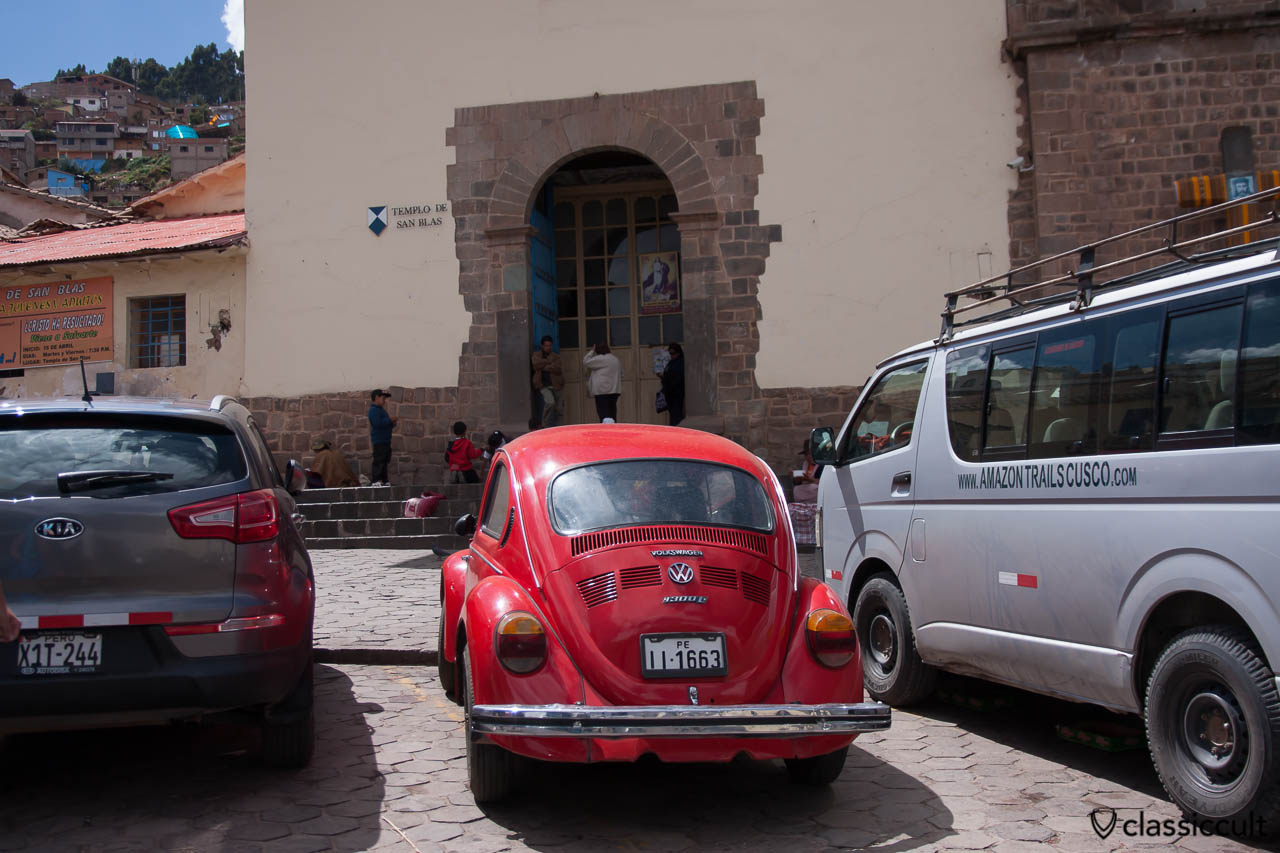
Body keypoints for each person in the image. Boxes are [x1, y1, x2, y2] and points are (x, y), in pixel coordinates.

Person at [583, 341, 623, 422]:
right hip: (614, 391)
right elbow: (622, 374)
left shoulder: (600, 359)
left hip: (602, 392)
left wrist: (592, 351)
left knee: (603, 415)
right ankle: (613, 431)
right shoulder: (615, 359)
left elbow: (586, 361)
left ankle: (605, 433)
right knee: (612, 414)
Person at [531, 335, 564, 428]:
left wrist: (544, 366)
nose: (548, 348)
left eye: (550, 345)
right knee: (550, 402)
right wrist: (549, 362)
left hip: (557, 384)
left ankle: (560, 428)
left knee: (560, 409)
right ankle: (544, 425)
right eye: (546, 346)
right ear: (542, 345)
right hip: (543, 385)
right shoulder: (536, 355)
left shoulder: (556, 356)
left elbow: (557, 368)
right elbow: (536, 365)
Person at [368, 389, 398, 486]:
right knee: (379, 460)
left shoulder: (381, 410)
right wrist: (389, 420)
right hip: (379, 440)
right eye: (383, 398)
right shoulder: (373, 410)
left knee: (385, 460)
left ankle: (384, 480)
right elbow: (378, 424)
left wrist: (392, 423)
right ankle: (376, 480)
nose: (384, 400)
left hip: (385, 440)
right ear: (376, 397)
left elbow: (385, 424)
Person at [661, 342, 686, 426]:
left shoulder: (680, 362)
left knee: (677, 414)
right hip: (670, 394)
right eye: (670, 354)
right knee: (673, 414)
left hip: (676, 393)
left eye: (673, 353)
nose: (672, 356)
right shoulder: (672, 362)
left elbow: (677, 377)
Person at [792, 439, 824, 503]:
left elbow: (823, 482)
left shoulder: (822, 465)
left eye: (810, 454)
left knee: (813, 488)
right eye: (806, 454)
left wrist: (810, 480)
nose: (808, 457)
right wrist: (796, 478)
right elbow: (800, 482)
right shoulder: (805, 464)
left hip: (816, 488)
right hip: (806, 487)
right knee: (797, 489)